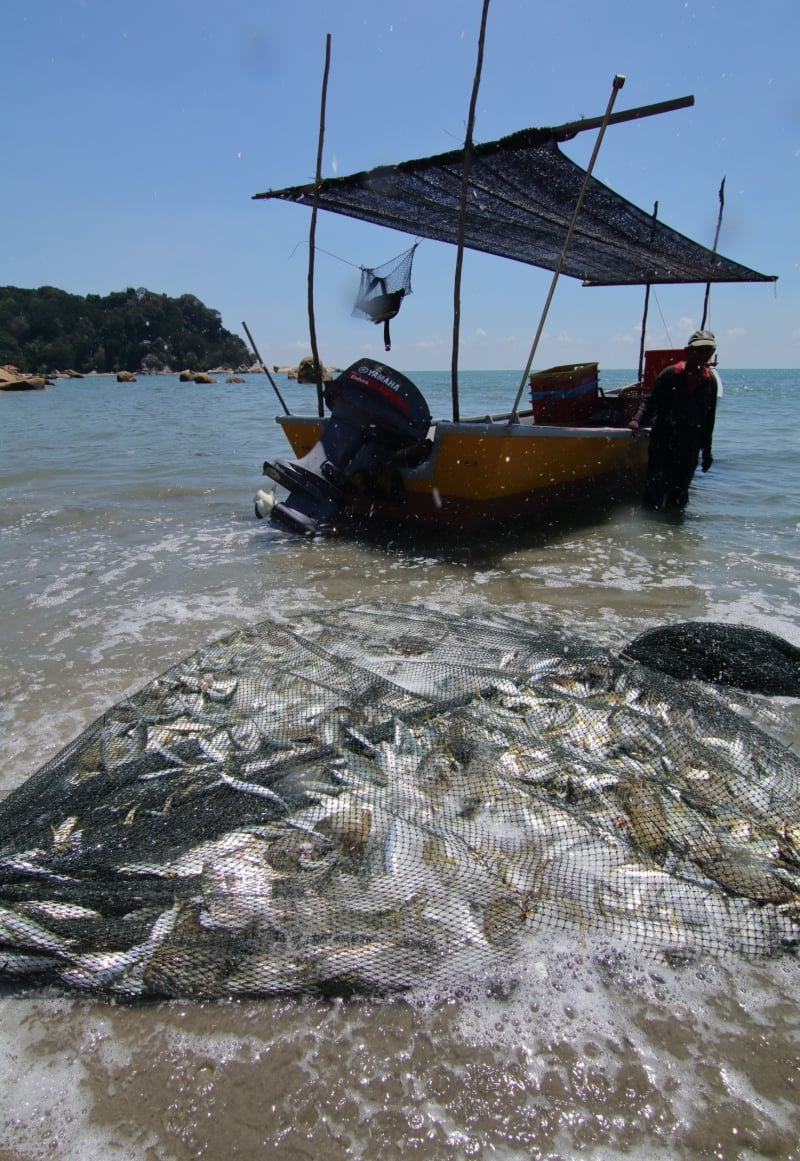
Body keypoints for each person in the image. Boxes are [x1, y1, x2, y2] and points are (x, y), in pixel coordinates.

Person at [628, 330, 719, 510]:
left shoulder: (710, 382)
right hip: (664, 441)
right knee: (654, 493)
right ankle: (650, 530)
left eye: (708, 350)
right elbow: (649, 400)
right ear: (688, 351)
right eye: (699, 350)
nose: (704, 355)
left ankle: (674, 534)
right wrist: (636, 420)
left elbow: (709, 418)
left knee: (678, 498)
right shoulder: (671, 374)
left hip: (690, 446)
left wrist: (707, 451)